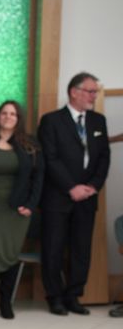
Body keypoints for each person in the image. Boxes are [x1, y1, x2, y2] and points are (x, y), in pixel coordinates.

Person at [38, 72, 111, 316]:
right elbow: (50, 158)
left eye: (95, 91)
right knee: (53, 248)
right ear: (74, 91)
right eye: (90, 91)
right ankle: (55, 297)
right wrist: (71, 187)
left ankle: (73, 296)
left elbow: (103, 158)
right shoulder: (51, 121)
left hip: (88, 197)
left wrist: (93, 186)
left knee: (81, 250)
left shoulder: (98, 121)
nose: (94, 96)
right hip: (58, 197)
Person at [0, 100, 44, 320]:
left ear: (18, 118)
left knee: (11, 254)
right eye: (4, 113)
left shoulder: (29, 145)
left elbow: (38, 178)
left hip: (17, 211)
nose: (8, 116)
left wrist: (31, 205)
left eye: (13, 113)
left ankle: (5, 302)